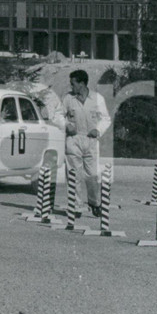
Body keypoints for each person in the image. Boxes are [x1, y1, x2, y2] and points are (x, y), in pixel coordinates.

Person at [55, 69, 111, 218]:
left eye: (73, 84)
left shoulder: (97, 98)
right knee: (74, 175)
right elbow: (58, 115)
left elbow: (106, 118)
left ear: (82, 83)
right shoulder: (68, 98)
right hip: (74, 140)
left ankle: (94, 202)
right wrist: (66, 124)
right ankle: (76, 206)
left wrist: (98, 130)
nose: (71, 87)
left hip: (91, 140)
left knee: (92, 175)